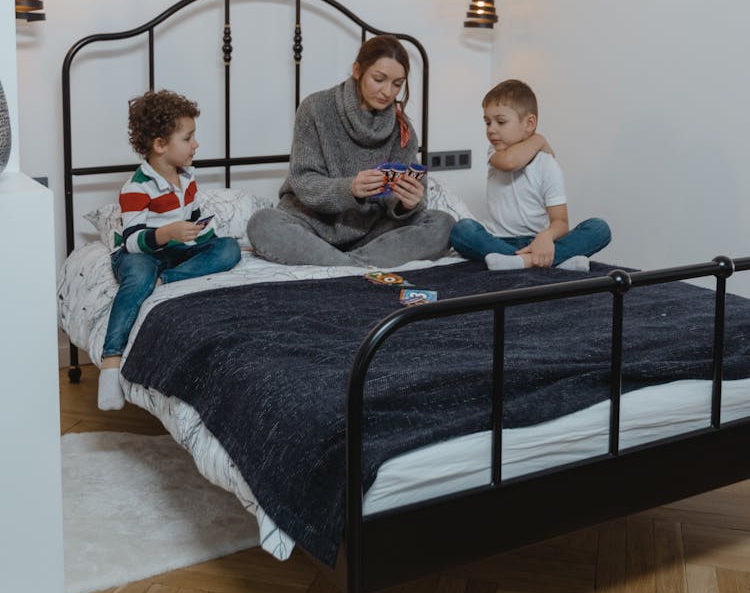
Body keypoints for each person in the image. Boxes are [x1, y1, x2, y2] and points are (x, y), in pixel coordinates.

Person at [248, 35, 454, 267]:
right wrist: (350, 189)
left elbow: (401, 198)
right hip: (309, 227)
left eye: (397, 84)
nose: (388, 92)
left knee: (442, 224)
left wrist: (407, 202)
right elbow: (303, 181)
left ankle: (343, 266)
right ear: (357, 70)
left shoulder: (402, 127)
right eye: (379, 79)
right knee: (262, 222)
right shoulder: (315, 108)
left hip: (368, 234)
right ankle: (355, 268)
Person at [98, 90, 241, 410]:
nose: (196, 145)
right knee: (138, 275)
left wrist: (201, 234)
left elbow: (190, 220)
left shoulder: (188, 178)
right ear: (160, 145)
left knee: (229, 249)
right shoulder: (136, 187)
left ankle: (165, 281)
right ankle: (110, 363)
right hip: (140, 252)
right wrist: (166, 233)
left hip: (175, 251)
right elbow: (134, 239)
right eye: (188, 138)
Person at [450, 79, 611, 272]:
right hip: (496, 239)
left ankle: (519, 262)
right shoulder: (495, 153)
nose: (491, 129)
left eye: (500, 122)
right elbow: (511, 162)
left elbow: (560, 223)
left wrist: (546, 236)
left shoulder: (547, 165)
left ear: (529, 123)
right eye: (487, 122)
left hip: (538, 241)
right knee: (462, 230)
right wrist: (539, 139)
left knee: (599, 228)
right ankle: (554, 261)